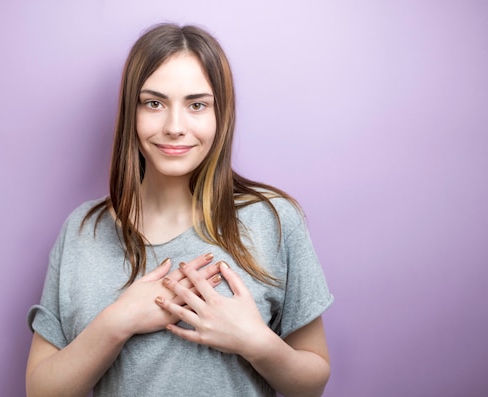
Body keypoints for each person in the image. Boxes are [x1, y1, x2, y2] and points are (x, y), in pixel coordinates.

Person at [26, 23, 333, 397]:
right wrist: (117, 322)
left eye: (197, 105)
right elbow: (41, 390)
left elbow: (312, 382)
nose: (174, 127)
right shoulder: (82, 230)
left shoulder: (274, 220)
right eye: (154, 103)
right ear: (131, 112)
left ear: (221, 115)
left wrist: (254, 341)